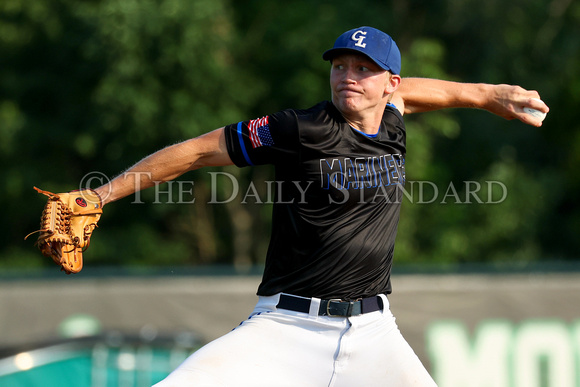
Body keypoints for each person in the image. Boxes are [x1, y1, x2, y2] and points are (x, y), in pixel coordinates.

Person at [91, 27, 548, 386]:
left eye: (363, 68)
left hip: (373, 333)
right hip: (285, 327)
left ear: (390, 84)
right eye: (340, 65)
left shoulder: (392, 118)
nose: (348, 75)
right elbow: (196, 151)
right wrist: (100, 195)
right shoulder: (299, 128)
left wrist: (489, 95)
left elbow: (427, 93)